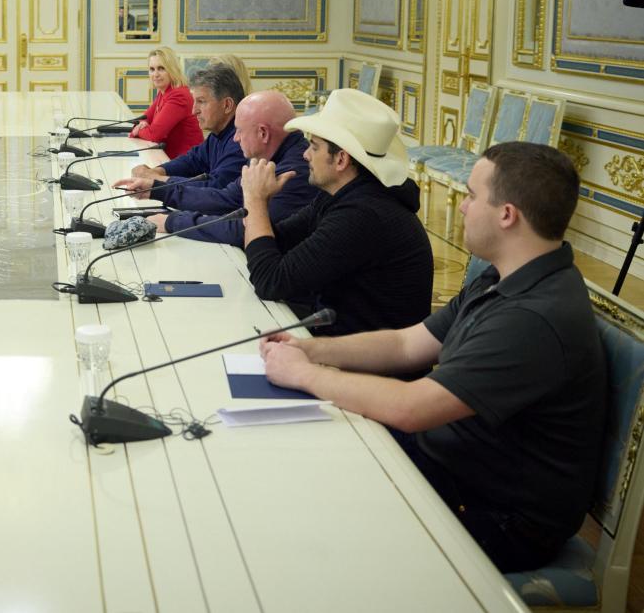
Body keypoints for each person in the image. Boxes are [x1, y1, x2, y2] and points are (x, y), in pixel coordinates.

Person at [261, 142, 606, 572]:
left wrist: (308, 376)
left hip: (497, 516)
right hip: (454, 465)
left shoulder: (534, 316)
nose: (462, 207)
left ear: (507, 214)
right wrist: (310, 350)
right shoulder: (504, 276)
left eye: (473, 195)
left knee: (313, 531)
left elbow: (412, 408)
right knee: (300, 467)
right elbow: (408, 344)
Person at [237, 88, 432, 335]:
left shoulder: (364, 215)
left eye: (314, 147)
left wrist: (254, 200)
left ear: (341, 159)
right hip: (342, 339)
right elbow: (279, 241)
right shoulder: (339, 195)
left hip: (369, 366)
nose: (305, 154)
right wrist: (259, 207)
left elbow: (271, 281)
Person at [145, 90, 318, 245]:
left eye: (239, 131)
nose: (235, 138)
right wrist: (157, 190)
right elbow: (227, 198)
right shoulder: (263, 156)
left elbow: (245, 231)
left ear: (263, 133)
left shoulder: (294, 172)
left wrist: (173, 222)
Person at [113, 61, 247, 201]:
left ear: (227, 105)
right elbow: (192, 160)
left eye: (201, 101)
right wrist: (156, 171)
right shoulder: (219, 133)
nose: (194, 110)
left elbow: (215, 188)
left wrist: (157, 181)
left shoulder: (241, 141)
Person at [127, 46, 203, 159]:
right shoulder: (164, 92)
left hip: (189, 163)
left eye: (161, 68)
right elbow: (143, 118)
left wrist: (138, 131)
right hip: (171, 159)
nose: (155, 74)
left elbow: (154, 135)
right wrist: (141, 126)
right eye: (152, 69)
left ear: (172, 70)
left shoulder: (179, 96)